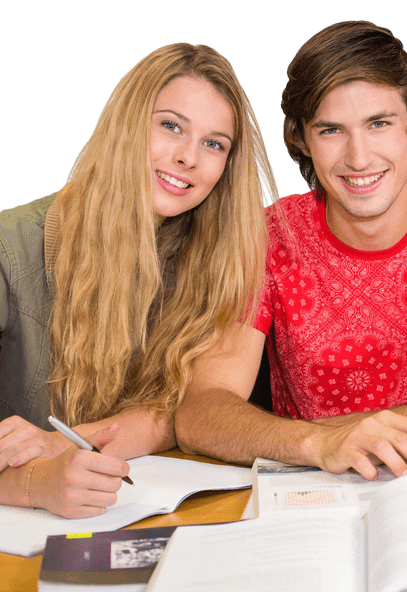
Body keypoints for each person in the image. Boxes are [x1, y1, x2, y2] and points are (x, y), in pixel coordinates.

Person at [173, 21, 407, 478]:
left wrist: (356, 433)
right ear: (303, 139)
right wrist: (320, 443)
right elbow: (201, 413)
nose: (359, 158)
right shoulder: (266, 237)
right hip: (312, 487)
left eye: (379, 124)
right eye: (331, 131)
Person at [0, 43, 276, 518]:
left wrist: (63, 446)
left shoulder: (212, 261)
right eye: (171, 126)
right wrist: (29, 484)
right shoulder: (12, 248)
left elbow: (180, 411)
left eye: (214, 144)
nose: (188, 157)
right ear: (126, 124)